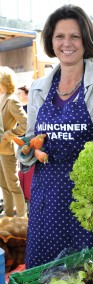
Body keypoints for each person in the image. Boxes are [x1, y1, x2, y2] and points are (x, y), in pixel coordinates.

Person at [16, 4, 93, 269]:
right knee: (42, 275)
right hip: (46, 195)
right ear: (51, 41)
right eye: (59, 36)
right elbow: (31, 138)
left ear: (85, 39)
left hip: (85, 196)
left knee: (84, 273)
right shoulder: (40, 86)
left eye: (74, 36)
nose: (67, 43)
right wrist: (27, 151)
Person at [0, 66, 27, 217]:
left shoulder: (11, 100)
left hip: (7, 149)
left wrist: (10, 134)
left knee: (13, 185)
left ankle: (22, 217)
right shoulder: (2, 97)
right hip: (0, 148)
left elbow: (25, 123)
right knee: (4, 186)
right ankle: (8, 215)